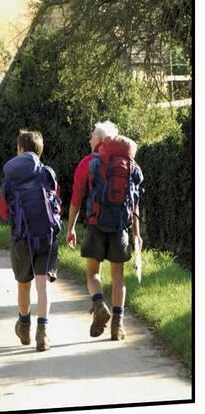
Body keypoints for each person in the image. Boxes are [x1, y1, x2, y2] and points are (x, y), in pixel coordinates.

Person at [66, 121, 143, 340]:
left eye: (92, 136)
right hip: (121, 227)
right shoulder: (131, 165)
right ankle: (117, 326)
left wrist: (70, 228)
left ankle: (99, 305)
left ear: (100, 140)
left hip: (94, 224)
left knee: (92, 273)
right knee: (118, 276)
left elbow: (76, 199)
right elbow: (134, 203)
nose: (89, 139)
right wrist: (136, 233)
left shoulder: (88, 163)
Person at [0, 130, 62, 351]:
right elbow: (57, 204)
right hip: (47, 235)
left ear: (20, 149)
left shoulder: (11, 177)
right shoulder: (48, 173)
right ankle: (42, 333)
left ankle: (24, 325)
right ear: (39, 150)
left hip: (21, 237)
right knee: (42, 286)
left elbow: (4, 212)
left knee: (23, 284)